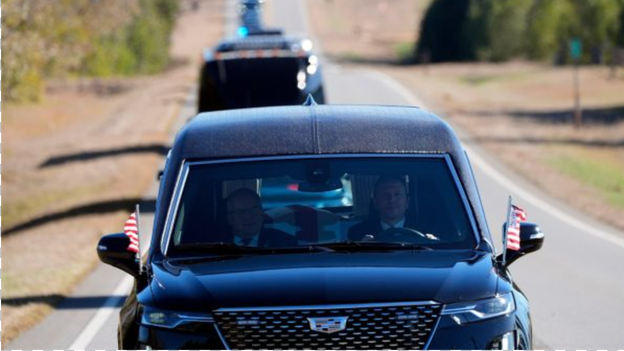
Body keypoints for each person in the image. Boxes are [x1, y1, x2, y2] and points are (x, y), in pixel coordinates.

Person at [348, 176, 417, 241]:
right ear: (375, 202)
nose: (392, 200)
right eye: (385, 195)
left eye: (397, 194)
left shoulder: (423, 230)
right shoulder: (357, 232)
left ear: (407, 201)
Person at [223, 188, 297, 247]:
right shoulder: (215, 244)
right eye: (240, 212)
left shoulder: (285, 242)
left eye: (253, 210)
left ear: (261, 213)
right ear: (230, 217)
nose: (247, 217)